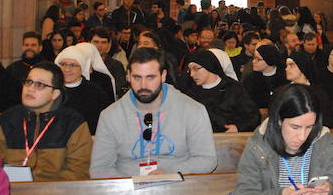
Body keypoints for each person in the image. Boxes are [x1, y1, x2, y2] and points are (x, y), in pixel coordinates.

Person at [90, 47, 217, 178]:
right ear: (128, 75)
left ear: (163, 76)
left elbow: (207, 159)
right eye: (137, 77)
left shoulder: (192, 110)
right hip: (128, 191)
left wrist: (170, 173)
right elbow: (100, 169)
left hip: (178, 186)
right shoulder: (110, 116)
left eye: (150, 77)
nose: (143, 85)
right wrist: (130, 185)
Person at [0, 62, 93, 180]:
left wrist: (44, 192)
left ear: (55, 94)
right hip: (11, 192)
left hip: (56, 193)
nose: (30, 89)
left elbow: (78, 172)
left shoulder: (73, 123)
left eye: (40, 85)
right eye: (29, 82)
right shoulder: (6, 120)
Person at [183, 49, 260, 133]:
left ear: (209, 66)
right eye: (189, 70)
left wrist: (238, 127)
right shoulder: (191, 92)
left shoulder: (232, 88)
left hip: (230, 141)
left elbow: (253, 117)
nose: (192, 74)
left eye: (196, 68)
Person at [54, 44, 115, 134]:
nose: (67, 69)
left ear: (82, 68)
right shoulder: (51, 89)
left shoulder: (96, 93)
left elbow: (104, 124)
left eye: (73, 65)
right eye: (63, 64)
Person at [283, 51, 333, 131]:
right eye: (287, 65)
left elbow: (326, 120)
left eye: (291, 65)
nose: (286, 69)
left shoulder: (319, 93)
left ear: (302, 67)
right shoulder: (283, 92)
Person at [243, 44, 287, 109]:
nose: (253, 61)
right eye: (254, 58)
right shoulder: (250, 79)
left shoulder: (284, 76)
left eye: (258, 59)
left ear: (269, 60)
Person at [90, 27, 127, 97]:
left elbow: (119, 89)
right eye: (96, 42)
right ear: (89, 43)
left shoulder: (117, 65)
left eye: (103, 42)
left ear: (109, 45)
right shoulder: (84, 64)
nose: (99, 45)